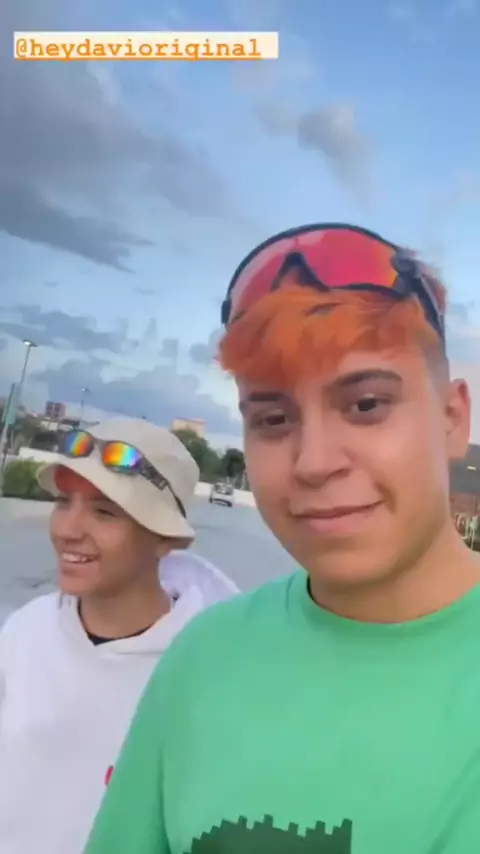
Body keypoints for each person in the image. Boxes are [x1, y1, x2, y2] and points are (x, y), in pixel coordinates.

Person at [85, 225, 480, 853]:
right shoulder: (204, 661)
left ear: (452, 418)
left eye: (366, 405)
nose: (313, 462)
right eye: (273, 419)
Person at [0, 416, 237, 854]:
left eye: (104, 512)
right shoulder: (23, 635)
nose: (68, 529)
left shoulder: (209, 673)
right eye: (64, 502)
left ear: (165, 539)